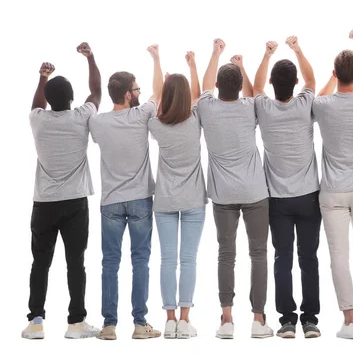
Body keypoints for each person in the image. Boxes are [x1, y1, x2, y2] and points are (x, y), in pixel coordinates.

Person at [23, 42, 102, 340]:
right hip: (74, 204)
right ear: (71, 98)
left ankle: (36, 322)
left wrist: (43, 78)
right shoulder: (81, 117)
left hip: (44, 204)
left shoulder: (38, 121)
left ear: (47, 98)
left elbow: (36, 105)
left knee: (40, 261)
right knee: (75, 262)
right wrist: (90, 58)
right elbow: (96, 92)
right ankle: (76, 323)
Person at [88, 44, 164, 340]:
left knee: (109, 262)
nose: (141, 92)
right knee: (140, 260)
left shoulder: (97, 121)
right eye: (136, 89)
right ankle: (140, 323)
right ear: (128, 94)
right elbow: (159, 89)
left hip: (111, 203)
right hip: (141, 199)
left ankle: (109, 325)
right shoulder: (141, 115)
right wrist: (156, 59)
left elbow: (92, 101)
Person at [199, 38, 273, 339]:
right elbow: (258, 92)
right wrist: (244, 66)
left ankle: (227, 319)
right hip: (255, 192)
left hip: (223, 196)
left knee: (225, 254)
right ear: (240, 87)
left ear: (218, 85)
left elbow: (205, 85)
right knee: (258, 254)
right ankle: (258, 319)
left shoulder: (206, 108)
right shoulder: (250, 107)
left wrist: (216, 52)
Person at [252, 36, 321, 339]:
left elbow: (254, 88)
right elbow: (312, 79)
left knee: (283, 258)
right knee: (309, 259)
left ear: (272, 83)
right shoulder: (305, 103)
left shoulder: (264, 108)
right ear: (294, 83)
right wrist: (297, 48)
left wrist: (266, 54)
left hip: (277, 200)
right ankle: (310, 320)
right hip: (308, 197)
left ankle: (286, 321)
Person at [311, 28, 353, 339]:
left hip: (333, 192)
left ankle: (349, 321)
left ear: (335, 73)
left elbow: (317, 95)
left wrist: (331, 77)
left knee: (339, 254)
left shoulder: (323, 105)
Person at [148, 50, 208, 339]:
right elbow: (196, 94)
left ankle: (169, 319)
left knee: (167, 260)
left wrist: (157, 63)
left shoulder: (157, 125)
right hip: (194, 199)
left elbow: (157, 97)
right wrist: (193, 66)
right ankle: (185, 320)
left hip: (165, 201)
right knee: (188, 260)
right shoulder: (195, 120)